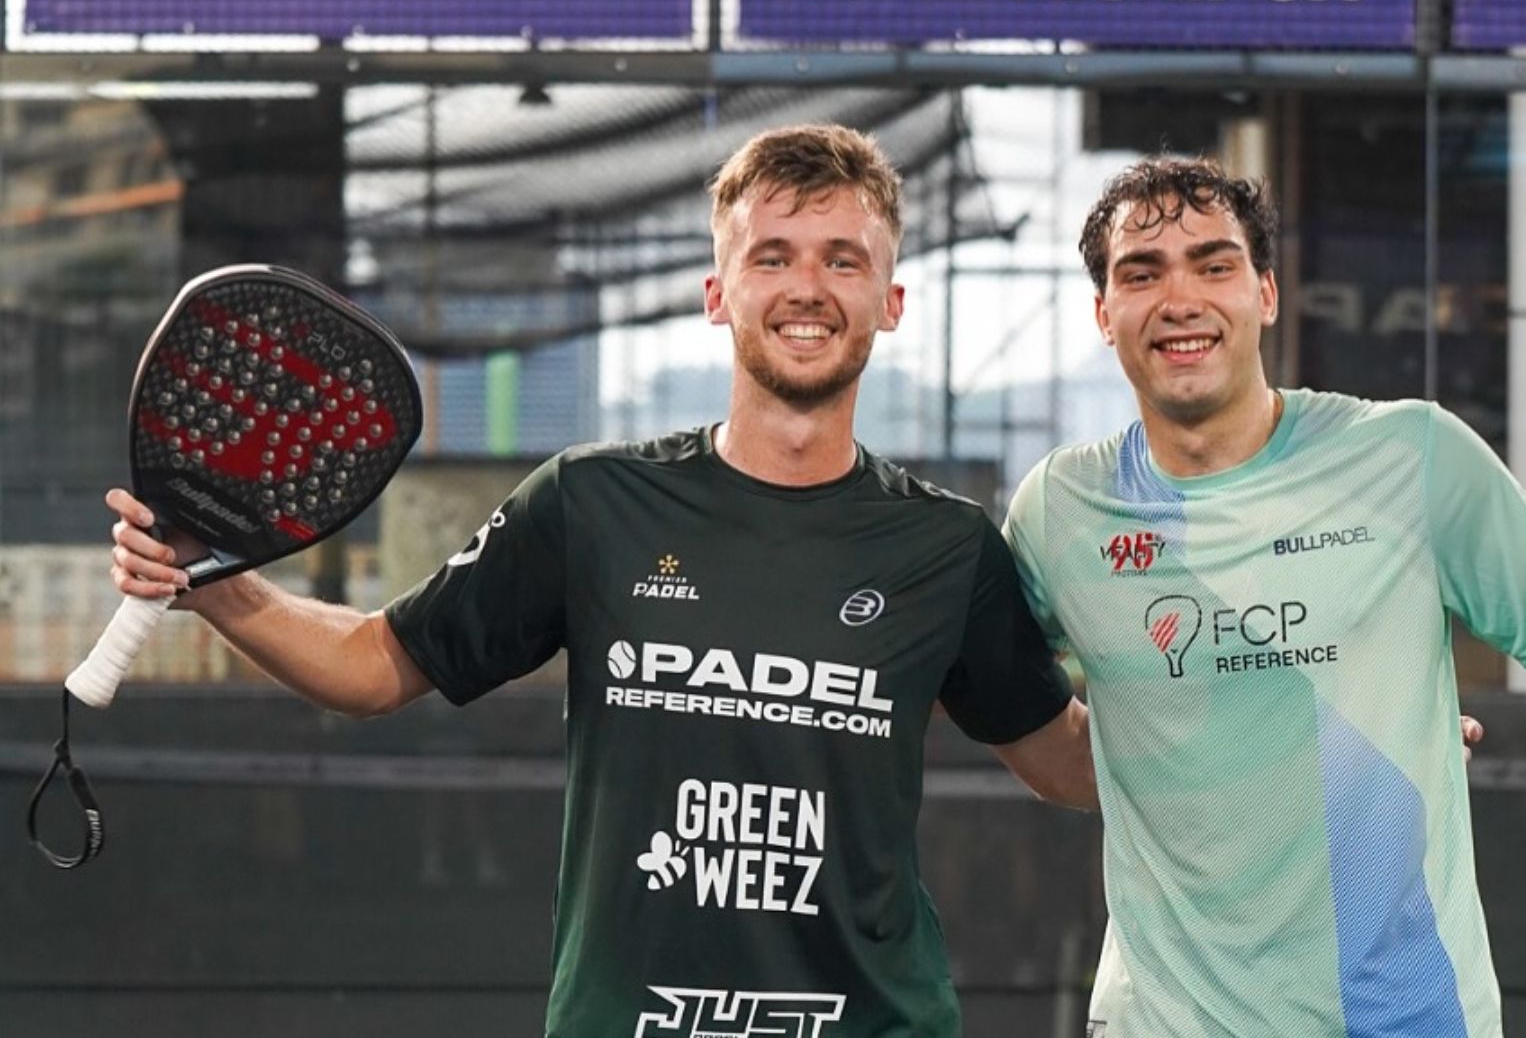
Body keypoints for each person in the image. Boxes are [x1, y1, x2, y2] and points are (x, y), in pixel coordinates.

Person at [103, 124, 1098, 1038]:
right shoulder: (591, 503)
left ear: (890, 300)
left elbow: (1070, 763)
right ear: (718, 294)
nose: (808, 287)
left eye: (844, 260)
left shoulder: (948, 549)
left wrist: (1192, 661)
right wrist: (219, 585)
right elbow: (372, 666)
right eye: (772, 257)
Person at [1003, 157, 1526, 1038]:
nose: (1181, 300)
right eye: (1142, 275)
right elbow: (1034, 731)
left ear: (1266, 294)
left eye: (1214, 265)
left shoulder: (1411, 456)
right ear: (1104, 315)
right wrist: (1261, 761)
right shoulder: (1061, 511)